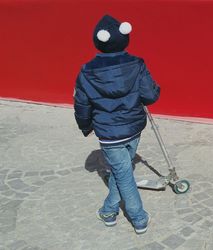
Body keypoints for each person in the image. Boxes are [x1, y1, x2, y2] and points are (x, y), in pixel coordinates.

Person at [73, 15, 160, 234]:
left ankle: (136, 218)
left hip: (109, 133)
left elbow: (82, 104)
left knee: (122, 172)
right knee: (123, 171)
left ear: (98, 41)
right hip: (133, 128)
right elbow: (150, 95)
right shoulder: (137, 64)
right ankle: (110, 211)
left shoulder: (86, 71)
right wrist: (154, 90)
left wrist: (85, 126)